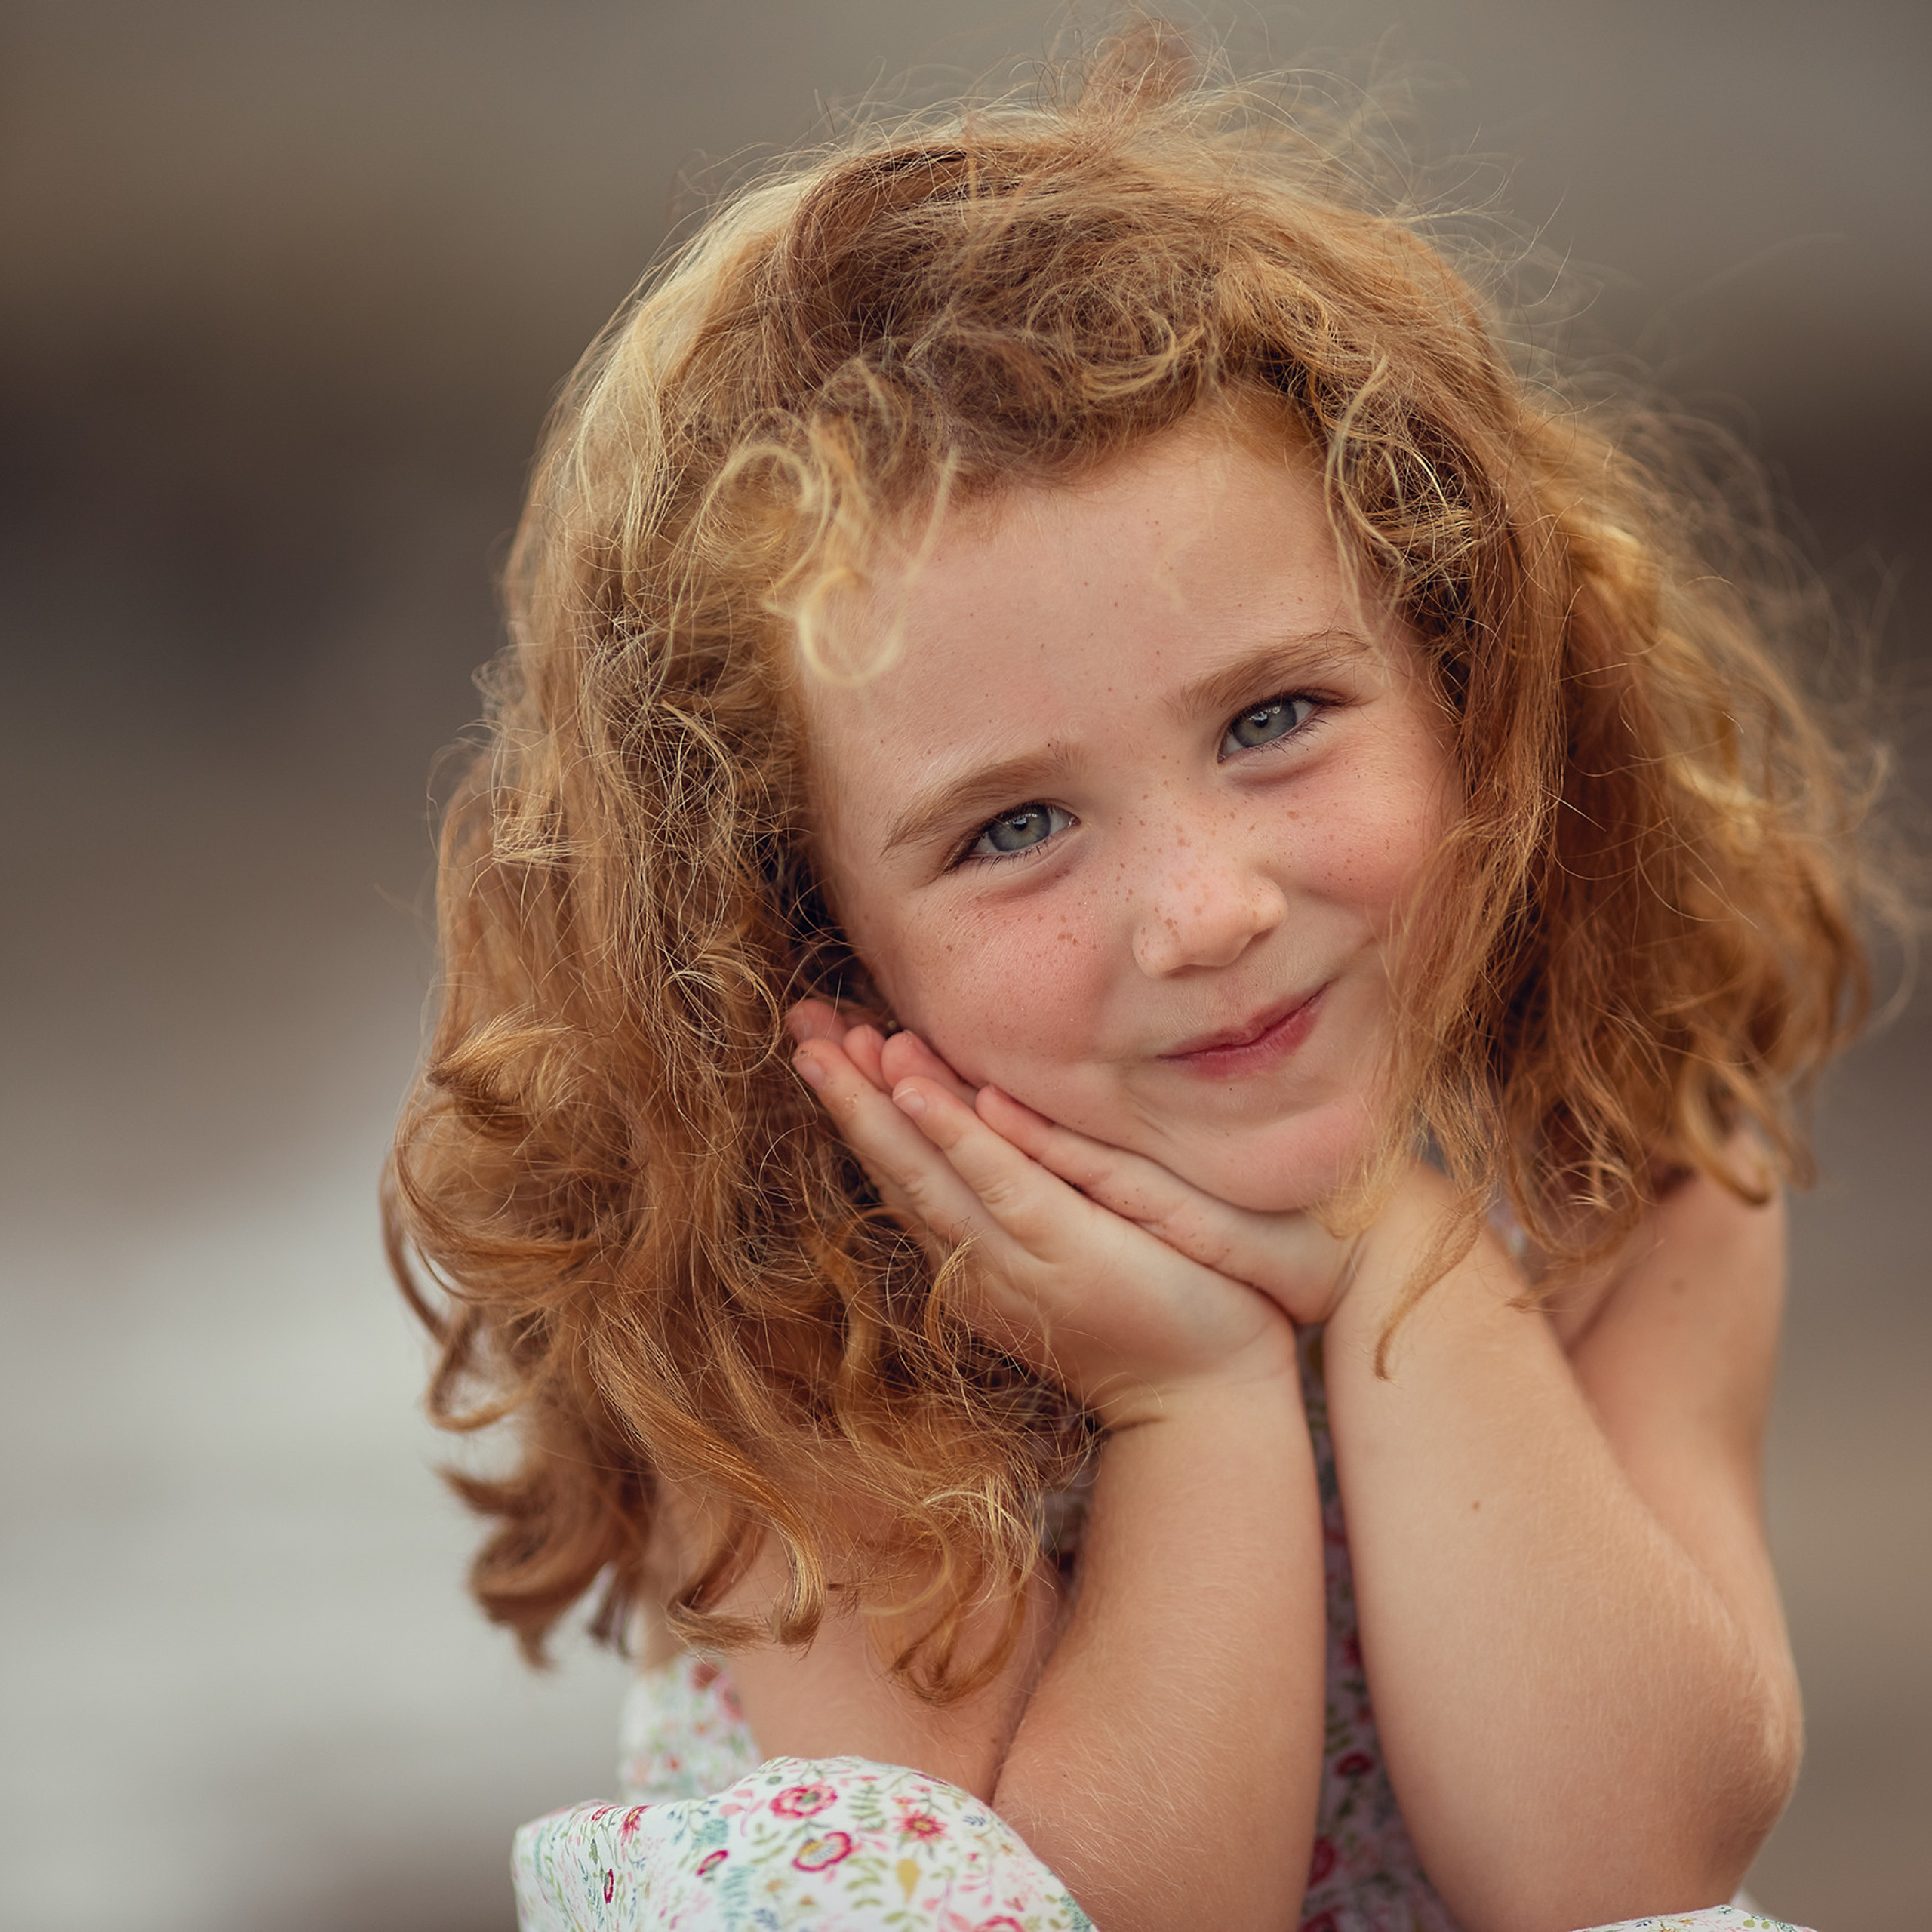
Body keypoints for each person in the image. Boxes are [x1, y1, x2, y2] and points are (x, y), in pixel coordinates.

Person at [386, 23, 1888, 1931]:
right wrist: (1192, 1392)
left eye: (1271, 716)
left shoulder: (1615, 1158)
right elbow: (1063, 1909)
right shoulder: (798, 1288)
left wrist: (1397, 1254)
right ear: (810, 924)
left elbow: (1624, 1867)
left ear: (1468, 681)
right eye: (1010, 829)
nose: (1202, 909)